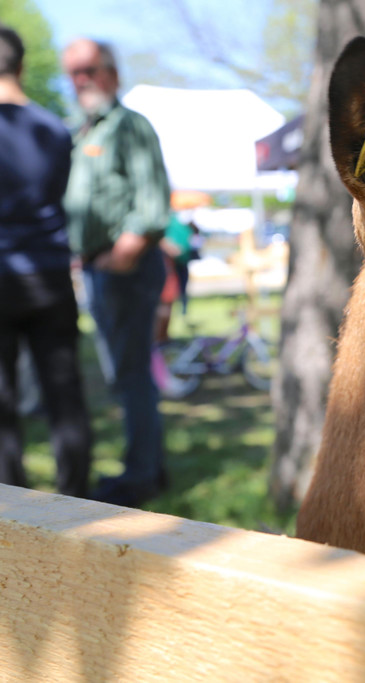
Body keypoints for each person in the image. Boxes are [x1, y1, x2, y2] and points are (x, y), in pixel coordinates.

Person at [62, 38, 170, 507]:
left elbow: (152, 205)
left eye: (89, 69)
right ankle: (148, 468)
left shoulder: (129, 125)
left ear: (112, 71)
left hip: (125, 269)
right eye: (74, 72)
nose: (81, 80)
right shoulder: (83, 130)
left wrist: (120, 256)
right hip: (98, 267)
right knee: (124, 375)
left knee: (131, 374)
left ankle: (141, 477)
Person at [0, 24, 93, 497]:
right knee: (64, 393)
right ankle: (75, 500)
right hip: (50, 274)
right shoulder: (55, 129)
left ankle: (8, 506)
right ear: (21, 65)